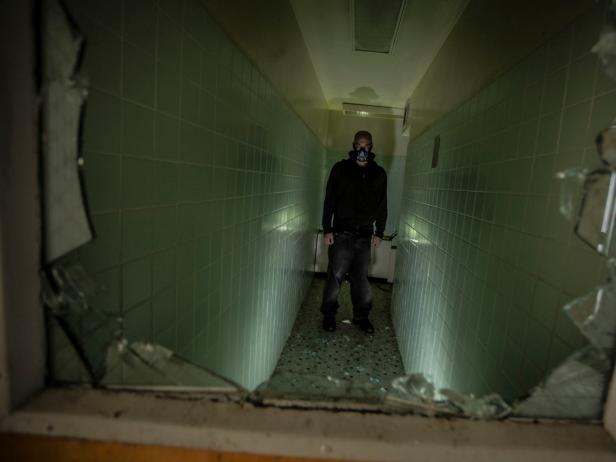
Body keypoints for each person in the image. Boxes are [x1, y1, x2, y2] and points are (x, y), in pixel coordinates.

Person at [320, 130, 387, 334]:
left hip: (365, 234)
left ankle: (362, 316)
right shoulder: (340, 169)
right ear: (353, 145)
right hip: (341, 233)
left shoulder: (379, 173)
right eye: (359, 144)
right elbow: (329, 200)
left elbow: (382, 204)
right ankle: (329, 315)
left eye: (366, 145)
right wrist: (327, 228)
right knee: (336, 275)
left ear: (371, 147)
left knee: (361, 278)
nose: (362, 149)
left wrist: (379, 232)